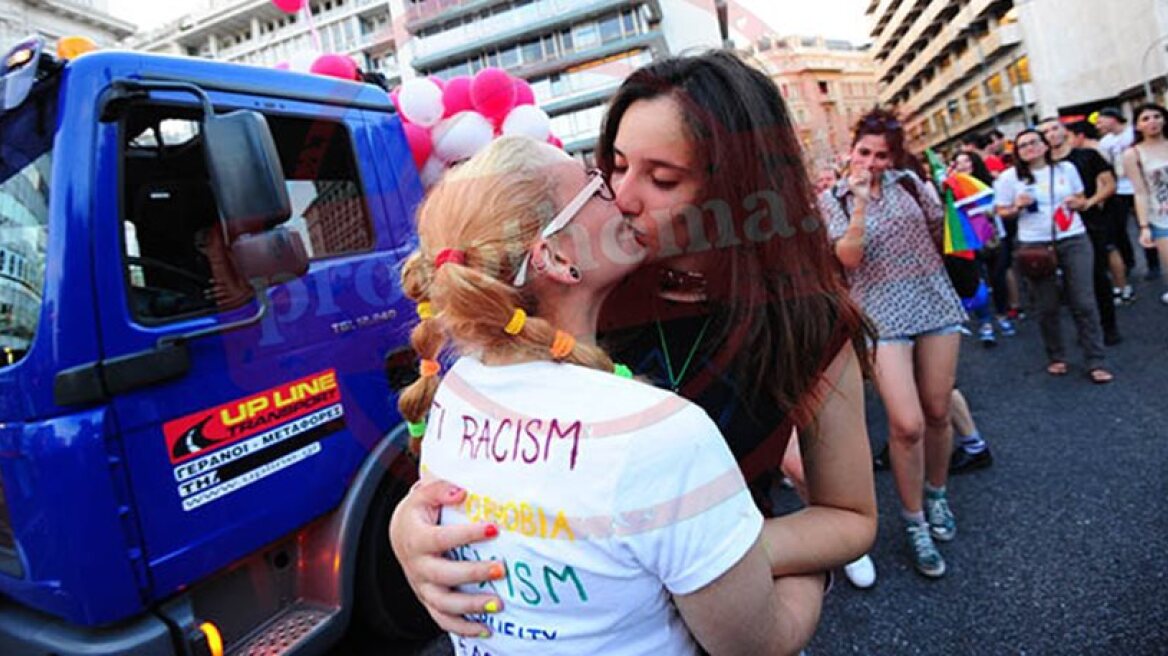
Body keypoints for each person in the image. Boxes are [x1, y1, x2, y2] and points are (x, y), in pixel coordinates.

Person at [390, 50, 877, 644]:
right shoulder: (578, 295)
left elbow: (850, 515)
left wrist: (711, 557)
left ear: (738, 187)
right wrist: (410, 531)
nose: (622, 196)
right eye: (615, 167)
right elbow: (490, 458)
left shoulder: (805, 322)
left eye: (662, 179)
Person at [821, 108, 966, 579]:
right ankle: (914, 521)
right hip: (880, 314)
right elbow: (848, 258)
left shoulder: (911, 185)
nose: (872, 162)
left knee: (939, 411)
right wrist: (861, 204)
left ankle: (937, 494)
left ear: (894, 157)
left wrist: (949, 197)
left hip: (932, 299)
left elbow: (939, 231)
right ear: (851, 150)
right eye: (864, 152)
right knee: (906, 424)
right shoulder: (833, 200)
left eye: (882, 155)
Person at [994, 129, 1114, 383]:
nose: (1029, 148)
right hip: (1034, 243)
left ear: (1045, 145)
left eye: (1034, 142)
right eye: (1023, 145)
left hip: (1073, 237)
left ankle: (1096, 359)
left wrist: (1078, 203)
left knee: (1083, 301)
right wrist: (1016, 207)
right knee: (1046, 305)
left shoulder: (1066, 169)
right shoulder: (1009, 178)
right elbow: (1001, 211)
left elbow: (1081, 197)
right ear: (1017, 153)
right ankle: (1056, 355)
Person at [1039, 117, 1123, 343]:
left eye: (1055, 128)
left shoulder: (1087, 156)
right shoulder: (1042, 166)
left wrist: (1088, 202)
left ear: (1064, 131)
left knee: (1097, 275)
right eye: (1045, 132)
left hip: (1090, 222)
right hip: (1057, 229)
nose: (1051, 134)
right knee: (1071, 283)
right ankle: (1087, 330)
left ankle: (1109, 326)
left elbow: (1109, 184)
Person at [952, 151, 1016, 345]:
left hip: (995, 237)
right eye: (958, 162)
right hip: (971, 240)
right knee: (977, 282)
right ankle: (985, 322)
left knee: (998, 278)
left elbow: (998, 207)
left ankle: (1002, 315)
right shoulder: (953, 188)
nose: (963, 165)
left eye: (966, 160)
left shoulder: (991, 184)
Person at [1098, 107, 1161, 280]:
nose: (1099, 125)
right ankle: (1128, 262)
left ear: (1112, 118)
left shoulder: (1132, 133)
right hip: (1120, 189)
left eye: (1101, 121)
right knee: (1119, 228)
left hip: (1141, 185)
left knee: (1147, 224)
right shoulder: (1105, 142)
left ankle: (1153, 263)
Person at [1123, 102, 1168, 304]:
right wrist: (1144, 226)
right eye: (1145, 119)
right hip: (1160, 216)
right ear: (1137, 126)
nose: (1152, 122)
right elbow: (1139, 192)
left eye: (1157, 116)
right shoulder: (1133, 154)